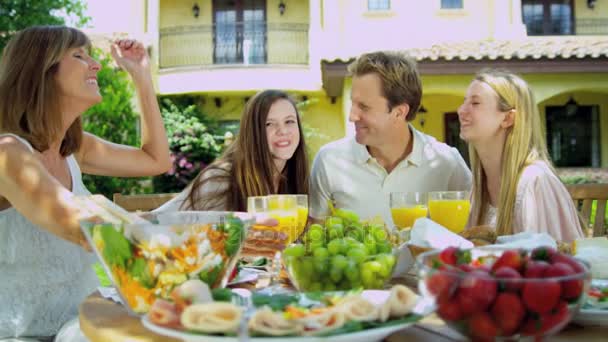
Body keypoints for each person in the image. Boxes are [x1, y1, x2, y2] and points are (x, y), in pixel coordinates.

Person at [0, 26, 171, 340]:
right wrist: (173, 239)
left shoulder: (74, 148)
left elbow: (157, 161)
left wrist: (141, 76)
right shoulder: (8, 153)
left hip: (84, 325)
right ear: (41, 70)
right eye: (79, 56)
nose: (96, 65)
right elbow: (78, 223)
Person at [309, 51, 472, 228]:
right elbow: (314, 239)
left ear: (399, 112)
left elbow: (473, 234)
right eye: (353, 104)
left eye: (364, 106)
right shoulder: (329, 160)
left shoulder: (446, 162)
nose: (352, 116)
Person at [156, 90, 310, 255]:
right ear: (253, 133)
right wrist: (230, 241)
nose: (283, 131)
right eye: (269, 124)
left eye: (289, 121)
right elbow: (157, 224)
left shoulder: (295, 179)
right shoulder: (221, 179)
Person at [459, 69, 584, 242]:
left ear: (508, 118)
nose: (461, 111)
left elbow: (551, 261)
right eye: (464, 102)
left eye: (475, 103)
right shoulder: (479, 186)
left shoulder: (535, 182)